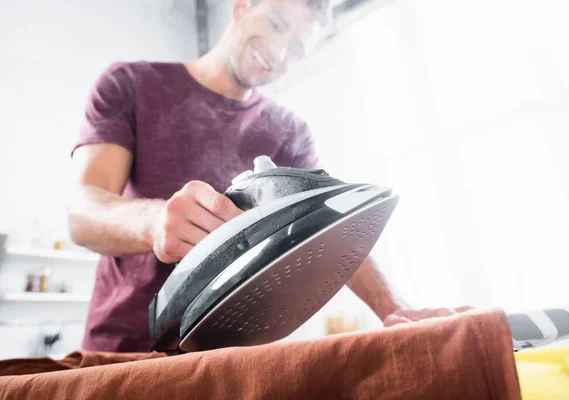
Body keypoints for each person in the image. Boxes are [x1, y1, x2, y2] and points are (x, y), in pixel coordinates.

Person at [69, 0, 408, 353]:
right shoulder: (129, 83)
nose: (278, 52)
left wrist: (396, 308)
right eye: (276, 24)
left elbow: (333, 225)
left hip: (228, 358)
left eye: (295, 49)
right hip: (120, 349)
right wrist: (153, 223)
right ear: (242, 6)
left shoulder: (289, 133)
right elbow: (82, 214)